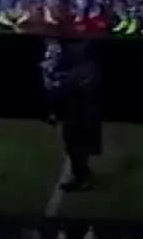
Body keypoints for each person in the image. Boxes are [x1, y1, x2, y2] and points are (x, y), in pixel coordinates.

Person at [45, 40, 101, 192]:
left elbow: (62, 91)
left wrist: (53, 110)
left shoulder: (78, 73)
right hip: (91, 115)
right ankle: (85, 174)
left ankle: (82, 180)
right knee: (82, 148)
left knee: (74, 149)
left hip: (77, 117)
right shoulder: (92, 69)